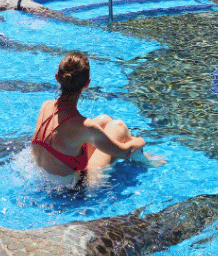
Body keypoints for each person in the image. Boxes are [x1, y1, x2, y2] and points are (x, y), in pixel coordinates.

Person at [31, 51, 162, 183]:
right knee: (118, 127)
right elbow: (125, 152)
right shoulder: (84, 126)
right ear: (87, 83)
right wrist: (138, 141)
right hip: (74, 192)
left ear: (57, 78)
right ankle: (146, 161)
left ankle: (141, 158)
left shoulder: (46, 106)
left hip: (43, 179)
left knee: (103, 120)